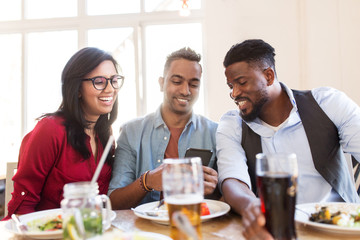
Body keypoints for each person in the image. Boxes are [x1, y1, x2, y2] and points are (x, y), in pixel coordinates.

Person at [216, 39, 360, 239]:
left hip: (339, 230)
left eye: (241, 82)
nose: (234, 93)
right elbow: (232, 180)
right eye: (230, 86)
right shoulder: (231, 124)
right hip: (274, 233)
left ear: (268, 76)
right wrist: (251, 206)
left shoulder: (328, 103)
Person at [3, 47, 123, 220]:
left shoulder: (105, 135)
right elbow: (24, 205)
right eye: (99, 81)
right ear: (77, 88)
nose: (110, 89)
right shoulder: (51, 130)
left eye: (114, 80)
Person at [109, 47, 219, 210]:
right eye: (177, 81)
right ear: (161, 83)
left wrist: (213, 190)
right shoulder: (131, 132)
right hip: (145, 231)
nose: (185, 90)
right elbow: (113, 202)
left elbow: (226, 199)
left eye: (194, 84)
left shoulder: (215, 133)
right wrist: (147, 181)